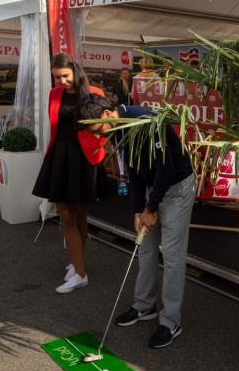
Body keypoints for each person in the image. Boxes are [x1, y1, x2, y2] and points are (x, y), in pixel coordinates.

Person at [77, 94, 196, 349]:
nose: (97, 137)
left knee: (172, 255)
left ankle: (170, 321)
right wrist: (138, 210)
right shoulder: (117, 128)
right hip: (154, 184)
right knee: (145, 247)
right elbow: (134, 170)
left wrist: (151, 208)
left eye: (97, 129)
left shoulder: (144, 120)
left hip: (177, 186)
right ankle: (145, 306)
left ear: (107, 114)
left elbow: (166, 168)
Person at [32, 54, 107, 294]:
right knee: (65, 213)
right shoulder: (54, 94)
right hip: (59, 154)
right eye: (57, 77)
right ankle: (79, 270)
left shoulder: (94, 92)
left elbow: (107, 126)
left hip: (83, 157)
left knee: (80, 213)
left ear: (75, 71)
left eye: (65, 76)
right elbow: (55, 126)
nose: (62, 81)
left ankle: (78, 266)